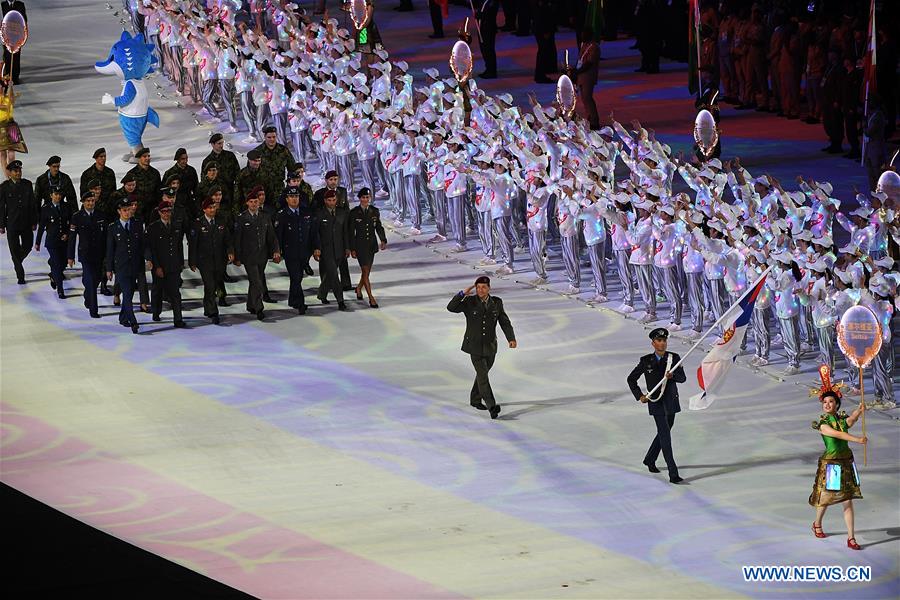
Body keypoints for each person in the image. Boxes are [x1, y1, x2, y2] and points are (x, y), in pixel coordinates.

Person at [809, 368, 866, 551]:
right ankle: (817, 523)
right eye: (825, 401)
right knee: (825, 499)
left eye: (831, 401)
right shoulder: (823, 425)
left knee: (847, 501)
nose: (827, 404)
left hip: (846, 463)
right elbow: (840, 435)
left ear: (837, 404)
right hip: (832, 465)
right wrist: (857, 440)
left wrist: (859, 411)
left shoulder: (841, 420)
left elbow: (850, 422)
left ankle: (851, 538)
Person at [446, 275, 516, 419]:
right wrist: (461, 294)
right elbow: (451, 308)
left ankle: (475, 399)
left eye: (483, 287)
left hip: (491, 346)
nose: (480, 290)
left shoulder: (497, 302)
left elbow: (504, 321)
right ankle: (492, 406)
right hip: (474, 346)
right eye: (478, 287)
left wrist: (511, 338)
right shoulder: (470, 302)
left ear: (489, 288)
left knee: (482, 374)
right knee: (483, 376)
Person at [626, 328, 687, 484]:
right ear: (653, 343)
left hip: (671, 402)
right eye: (659, 341)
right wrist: (640, 395)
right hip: (656, 403)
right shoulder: (646, 361)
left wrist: (673, 375)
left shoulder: (674, 358)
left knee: (663, 432)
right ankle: (673, 473)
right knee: (665, 437)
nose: (662, 343)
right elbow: (631, 379)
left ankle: (650, 458)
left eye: (664, 340)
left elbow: (682, 378)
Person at [233, 191, 280, 320]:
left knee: (255, 281)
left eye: (256, 201)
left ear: (259, 203)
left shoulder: (265, 217)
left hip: (262, 256)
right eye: (251, 202)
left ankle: (250, 305)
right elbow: (237, 240)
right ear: (247, 203)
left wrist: (276, 250)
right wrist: (237, 256)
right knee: (257, 282)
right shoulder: (242, 218)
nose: (254, 204)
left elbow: (271, 236)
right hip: (249, 257)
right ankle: (259, 308)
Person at [188, 197, 233, 325]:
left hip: (220, 260)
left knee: (215, 284)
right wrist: (192, 261)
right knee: (210, 285)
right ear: (204, 209)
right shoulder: (197, 223)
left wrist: (230, 251)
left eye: (214, 207)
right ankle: (214, 312)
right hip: (204, 262)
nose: (212, 210)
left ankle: (207, 308)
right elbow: (193, 244)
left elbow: (228, 239)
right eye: (210, 208)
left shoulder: (221, 221)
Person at [274, 185, 318, 314]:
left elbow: (313, 233)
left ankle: (292, 299)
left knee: (297, 278)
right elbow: (278, 236)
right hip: (290, 252)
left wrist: (316, 248)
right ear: (286, 199)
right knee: (296, 276)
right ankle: (300, 303)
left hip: (305, 252)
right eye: (291, 197)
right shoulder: (281, 215)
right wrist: (277, 251)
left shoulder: (306, 212)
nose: (294, 199)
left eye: (296, 196)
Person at [106, 198, 146, 334]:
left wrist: (148, 260)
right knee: (127, 293)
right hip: (121, 267)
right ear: (119, 211)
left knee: (129, 293)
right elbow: (110, 250)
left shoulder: (137, 224)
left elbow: (142, 245)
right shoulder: (112, 227)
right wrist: (109, 269)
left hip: (135, 265)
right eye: (125, 210)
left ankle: (123, 317)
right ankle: (133, 321)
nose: (128, 212)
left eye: (129, 209)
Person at [145, 200, 187, 328]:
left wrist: (180, 263)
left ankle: (178, 319)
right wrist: (156, 266)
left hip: (173, 265)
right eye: (164, 212)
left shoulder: (176, 226)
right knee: (157, 291)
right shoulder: (153, 228)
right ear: (159, 213)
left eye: (169, 211)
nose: (167, 214)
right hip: (160, 266)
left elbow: (178, 246)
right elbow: (152, 249)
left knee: (175, 293)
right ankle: (156, 312)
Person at [67, 191, 107, 318]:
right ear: (83, 202)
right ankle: (93, 310)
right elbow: (72, 238)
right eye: (88, 201)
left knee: (96, 280)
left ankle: (87, 295)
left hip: (99, 254)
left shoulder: (101, 215)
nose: (90, 203)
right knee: (90, 280)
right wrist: (70, 256)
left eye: (92, 201)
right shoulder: (77, 217)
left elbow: (106, 236)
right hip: (85, 254)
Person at [348, 188, 387, 308]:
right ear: (360, 198)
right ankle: (371, 297)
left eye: (367, 197)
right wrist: (352, 248)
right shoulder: (354, 212)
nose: (366, 200)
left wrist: (383, 239)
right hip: (360, 246)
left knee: (367, 272)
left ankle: (359, 288)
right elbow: (350, 232)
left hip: (371, 245)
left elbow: (378, 227)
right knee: (365, 271)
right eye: (363, 197)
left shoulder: (374, 211)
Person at [0, 159, 37, 283]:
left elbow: (33, 204)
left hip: (26, 223)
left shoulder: (27, 184)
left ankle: (17, 261)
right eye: (15, 171)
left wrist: (34, 221)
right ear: (9, 173)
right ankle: (20, 275)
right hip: (12, 224)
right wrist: (1, 224)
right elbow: (1, 207)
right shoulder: (4, 187)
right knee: (14, 249)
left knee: (28, 245)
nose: (18, 173)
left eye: (19, 170)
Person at [313, 189, 350, 311]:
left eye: (334, 200)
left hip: (339, 249)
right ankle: (340, 301)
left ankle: (322, 294)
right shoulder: (319, 214)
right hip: (326, 250)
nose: (332, 202)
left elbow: (345, 232)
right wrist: (317, 248)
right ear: (325, 201)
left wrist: (347, 248)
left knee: (330, 274)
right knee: (334, 275)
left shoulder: (342, 213)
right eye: (329, 200)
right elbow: (316, 233)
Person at [34, 186, 71, 298]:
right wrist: (38, 242)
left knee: (63, 263)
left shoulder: (66, 206)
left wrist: (68, 234)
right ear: (51, 195)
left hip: (64, 241)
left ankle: (52, 274)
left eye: (59, 194)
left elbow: (71, 223)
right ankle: (60, 289)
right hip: (52, 242)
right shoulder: (45, 208)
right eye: (55, 194)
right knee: (57, 264)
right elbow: (41, 227)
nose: (58, 196)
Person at [573, 27, 600, 129]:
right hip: (582, 75)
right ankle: (589, 118)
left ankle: (594, 121)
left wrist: (577, 71)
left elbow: (589, 63)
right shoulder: (584, 45)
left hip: (588, 76)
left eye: (584, 35)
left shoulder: (594, 47)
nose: (581, 37)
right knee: (584, 99)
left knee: (588, 98)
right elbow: (581, 60)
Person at [126, 147, 162, 221]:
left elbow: (159, 191)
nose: (147, 158)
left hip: (153, 209)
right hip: (138, 210)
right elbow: (128, 193)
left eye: (148, 156)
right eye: (144, 156)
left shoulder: (155, 173)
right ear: (139, 158)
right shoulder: (132, 174)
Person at [1, 0, 26, 84]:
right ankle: (7, 76)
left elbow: (24, 20)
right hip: (6, 36)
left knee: (16, 55)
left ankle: (15, 77)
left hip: (16, 35)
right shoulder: (3, 4)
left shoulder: (20, 5)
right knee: (7, 55)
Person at [477, 0, 500, 79]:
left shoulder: (492, 2)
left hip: (488, 29)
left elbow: (490, 14)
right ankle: (488, 68)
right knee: (484, 49)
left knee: (488, 49)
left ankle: (491, 71)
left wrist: (480, 15)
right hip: (483, 28)